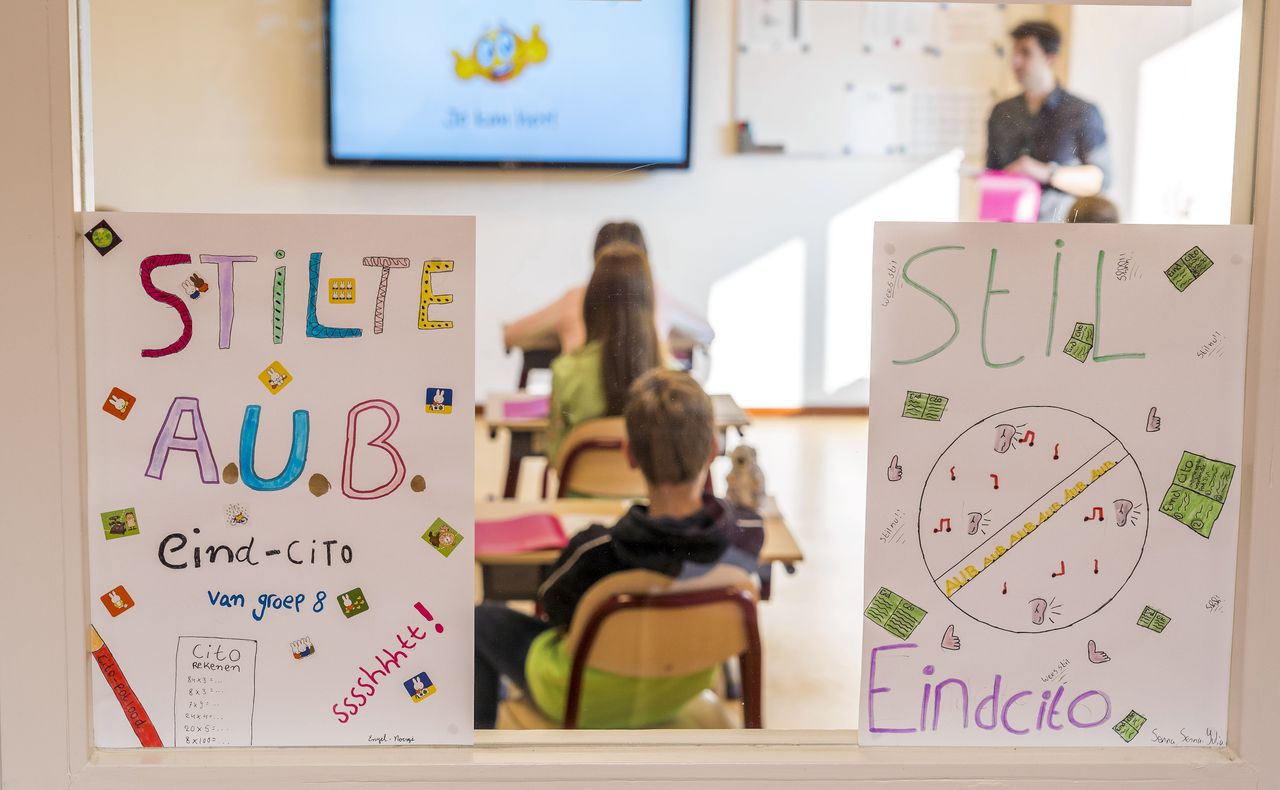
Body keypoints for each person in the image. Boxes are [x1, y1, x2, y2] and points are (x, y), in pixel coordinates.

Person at [474, 369, 764, 729]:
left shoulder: (597, 550)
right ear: (712, 450)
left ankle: (479, 750)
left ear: (629, 454)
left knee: (478, 621)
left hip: (580, 700)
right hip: (679, 691)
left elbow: (551, 606)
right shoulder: (748, 533)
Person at [501, 220, 715, 356]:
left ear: (596, 259)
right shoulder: (657, 296)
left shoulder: (575, 297)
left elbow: (512, 335)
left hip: (583, 421)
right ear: (645, 260)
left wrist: (560, 333)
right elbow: (706, 334)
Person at [544, 241, 661, 462]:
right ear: (648, 301)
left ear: (591, 300)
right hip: (650, 496)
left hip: (577, 495)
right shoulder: (670, 374)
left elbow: (555, 455)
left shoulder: (566, 371)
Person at [987, 21, 1110, 222]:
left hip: (1061, 236)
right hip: (1007, 233)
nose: (1015, 61)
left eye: (1026, 53)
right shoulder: (1001, 111)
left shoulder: (1082, 111)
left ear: (1049, 58)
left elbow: (1099, 180)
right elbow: (992, 174)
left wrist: (1041, 171)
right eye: (1014, 53)